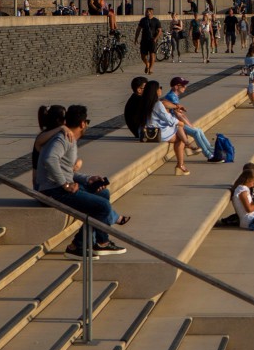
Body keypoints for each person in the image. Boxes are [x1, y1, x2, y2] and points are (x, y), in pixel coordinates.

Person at [35, 105, 129, 259]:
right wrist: (64, 184)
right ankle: (77, 246)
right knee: (102, 206)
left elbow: (67, 170)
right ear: (83, 123)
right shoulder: (64, 138)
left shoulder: (68, 138)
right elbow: (49, 160)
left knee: (103, 193)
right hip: (53, 190)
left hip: (57, 187)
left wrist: (88, 179)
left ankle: (101, 242)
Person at [141, 80, 192, 175]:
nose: (161, 89)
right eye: (159, 88)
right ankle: (181, 163)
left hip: (147, 131)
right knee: (179, 136)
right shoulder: (157, 104)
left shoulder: (145, 101)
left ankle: (187, 148)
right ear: (155, 91)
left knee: (178, 128)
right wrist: (180, 123)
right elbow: (168, 119)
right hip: (157, 132)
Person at [165, 76, 219, 159]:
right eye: (183, 85)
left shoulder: (174, 96)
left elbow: (181, 114)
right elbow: (178, 115)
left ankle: (211, 150)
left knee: (199, 130)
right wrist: (190, 125)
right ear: (176, 87)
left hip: (177, 122)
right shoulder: (171, 96)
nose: (185, 87)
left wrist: (190, 124)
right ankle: (208, 155)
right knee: (196, 132)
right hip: (175, 124)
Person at [32, 104, 67, 171]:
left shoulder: (46, 134)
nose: (66, 122)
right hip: (46, 178)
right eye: (64, 118)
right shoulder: (46, 137)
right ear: (58, 120)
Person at [135, 7, 162, 74]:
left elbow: (160, 31)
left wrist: (155, 38)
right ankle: (147, 64)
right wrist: (136, 38)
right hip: (144, 39)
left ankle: (150, 69)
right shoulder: (143, 20)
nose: (146, 13)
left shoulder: (156, 21)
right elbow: (138, 29)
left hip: (152, 40)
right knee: (143, 55)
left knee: (152, 54)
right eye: (146, 12)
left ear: (151, 13)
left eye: (148, 12)